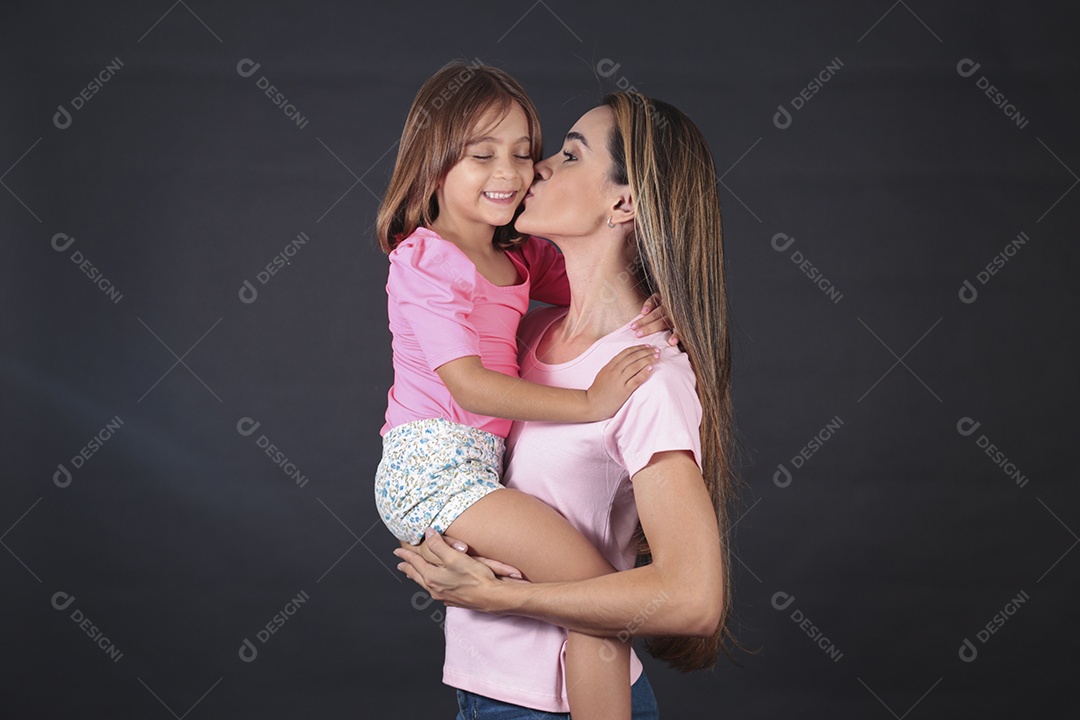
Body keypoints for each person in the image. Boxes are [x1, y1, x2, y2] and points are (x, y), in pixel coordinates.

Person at [395, 91, 740, 719]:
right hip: (480, 694)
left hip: (556, 706)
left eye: (569, 154)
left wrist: (504, 599)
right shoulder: (525, 339)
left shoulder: (645, 377)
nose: (538, 167)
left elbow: (693, 597)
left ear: (624, 202)